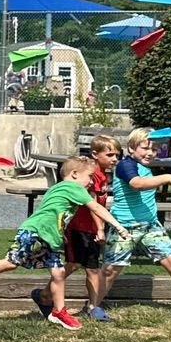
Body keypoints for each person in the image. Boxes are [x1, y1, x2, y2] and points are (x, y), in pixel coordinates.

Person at [0, 155, 130, 328]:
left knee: (58, 273)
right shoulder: (74, 187)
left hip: (49, 237)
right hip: (35, 232)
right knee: (11, 262)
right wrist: (118, 226)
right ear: (74, 174)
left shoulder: (57, 188)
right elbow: (95, 207)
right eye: (89, 176)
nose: (90, 182)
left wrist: (60, 232)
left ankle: (59, 311)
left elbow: (53, 211)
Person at [100, 127, 171, 316]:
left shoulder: (145, 166)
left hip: (150, 226)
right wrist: (167, 177)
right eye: (145, 148)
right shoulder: (125, 165)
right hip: (124, 227)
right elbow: (137, 184)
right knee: (111, 269)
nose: (150, 153)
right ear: (131, 148)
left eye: (154, 149)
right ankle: (94, 304)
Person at [54, 134, 118, 322]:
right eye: (110, 154)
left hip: (90, 229)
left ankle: (93, 306)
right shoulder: (91, 176)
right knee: (73, 264)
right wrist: (100, 229)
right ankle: (46, 295)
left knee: (92, 268)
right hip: (79, 228)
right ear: (95, 154)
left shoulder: (102, 175)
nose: (115, 159)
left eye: (117, 155)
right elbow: (93, 205)